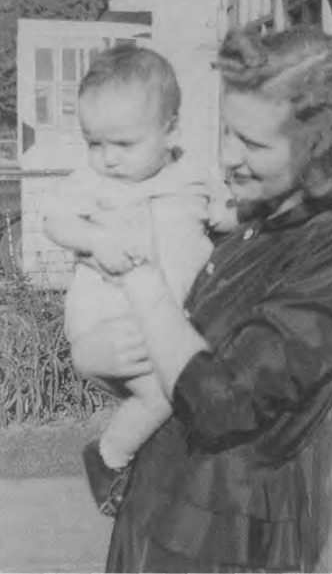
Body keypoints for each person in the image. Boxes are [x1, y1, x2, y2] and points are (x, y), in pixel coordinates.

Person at [73, 25, 332, 572]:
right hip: (160, 504)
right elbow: (175, 363)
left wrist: (140, 278)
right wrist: (95, 360)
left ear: (320, 146)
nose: (227, 157)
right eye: (226, 133)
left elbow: (221, 404)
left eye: (251, 143)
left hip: (225, 537)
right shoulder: (255, 224)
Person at [44, 43, 213, 514]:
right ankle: (108, 458)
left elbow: (224, 215)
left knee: (176, 395)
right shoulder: (92, 183)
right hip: (107, 320)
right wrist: (94, 238)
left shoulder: (193, 178)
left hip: (162, 324)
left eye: (123, 144)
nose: (108, 158)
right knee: (167, 394)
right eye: (94, 143)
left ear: (170, 130)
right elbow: (55, 221)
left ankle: (129, 463)